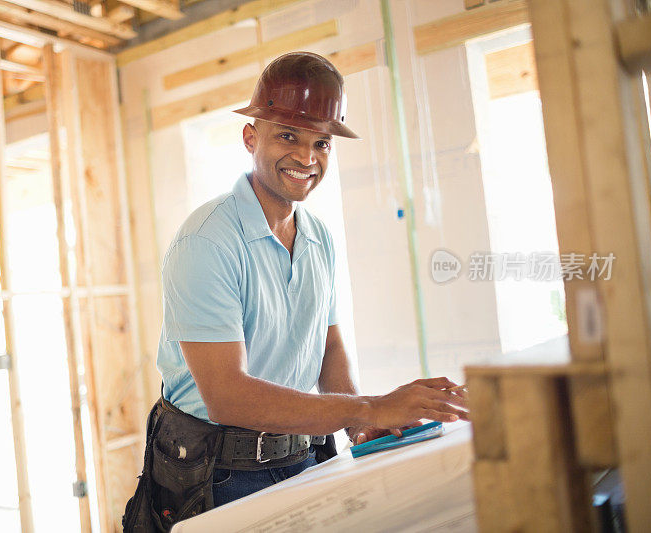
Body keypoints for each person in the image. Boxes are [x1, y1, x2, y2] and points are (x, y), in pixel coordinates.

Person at [122, 52, 468, 532]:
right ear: (250, 137)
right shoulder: (206, 241)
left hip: (302, 454)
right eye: (288, 135)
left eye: (321, 143)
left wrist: (358, 425)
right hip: (214, 474)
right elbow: (226, 396)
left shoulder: (319, 236)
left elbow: (327, 346)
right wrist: (371, 405)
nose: (307, 158)